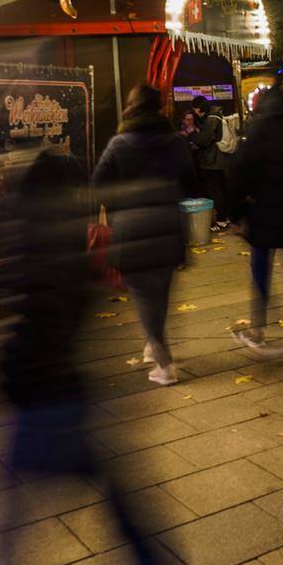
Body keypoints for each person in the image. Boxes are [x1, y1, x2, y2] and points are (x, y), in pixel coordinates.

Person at [0, 147, 208, 565]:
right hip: (73, 400)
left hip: (46, 407)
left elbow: (39, 323)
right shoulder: (78, 231)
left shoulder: (41, 235)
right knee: (131, 524)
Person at [93, 85, 197, 385]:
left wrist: (119, 207)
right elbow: (191, 183)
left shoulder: (119, 144)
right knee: (160, 296)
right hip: (168, 227)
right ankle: (154, 347)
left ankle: (165, 366)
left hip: (132, 230)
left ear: (131, 107)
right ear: (159, 108)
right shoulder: (176, 143)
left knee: (143, 299)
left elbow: (98, 185)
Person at [228, 84, 283, 365]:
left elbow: (237, 175)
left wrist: (236, 214)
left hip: (263, 215)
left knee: (260, 273)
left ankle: (258, 328)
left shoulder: (256, 132)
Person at [187, 98, 232, 232]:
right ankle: (226, 217)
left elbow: (204, 140)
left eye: (195, 110)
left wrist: (193, 134)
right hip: (219, 160)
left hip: (212, 161)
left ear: (199, 108)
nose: (195, 113)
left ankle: (222, 220)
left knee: (216, 191)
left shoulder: (212, 119)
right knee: (221, 190)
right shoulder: (217, 115)